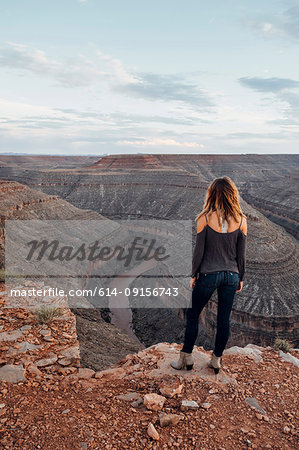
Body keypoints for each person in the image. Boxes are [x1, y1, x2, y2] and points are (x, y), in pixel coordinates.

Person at [171, 176, 247, 374]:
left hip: (208, 275)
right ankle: (216, 360)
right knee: (224, 318)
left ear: (212, 194)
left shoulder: (204, 218)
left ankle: (186, 358)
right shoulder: (241, 220)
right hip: (231, 275)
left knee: (193, 314)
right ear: (232, 195)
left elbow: (199, 252)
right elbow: (241, 255)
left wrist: (194, 274)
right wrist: (240, 278)